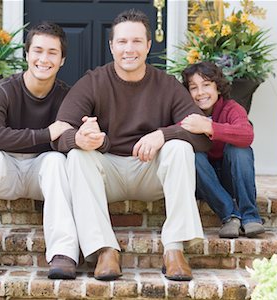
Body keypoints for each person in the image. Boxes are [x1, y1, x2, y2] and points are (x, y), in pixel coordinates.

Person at [54, 9, 211, 281]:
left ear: (148, 45)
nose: (130, 49)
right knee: (78, 156)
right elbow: (60, 132)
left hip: (149, 171)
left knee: (179, 147)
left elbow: (201, 133)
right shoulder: (93, 82)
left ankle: (174, 249)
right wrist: (80, 138)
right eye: (123, 42)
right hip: (108, 173)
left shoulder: (167, 85)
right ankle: (104, 250)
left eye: (137, 41)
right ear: (111, 46)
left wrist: (162, 135)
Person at [0, 22, 80, 280]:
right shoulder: (2, 90)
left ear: (62, 59)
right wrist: (46, 134)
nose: (43, 59)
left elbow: (66, 139)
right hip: (6, 170)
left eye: (52, 53)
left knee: (57, 161)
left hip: (42, 173)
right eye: (38, 51)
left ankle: (63, 253)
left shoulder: (67, 96)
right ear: (27, 54)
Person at [180, 61, 265, 239]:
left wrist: (209, 126)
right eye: (193, 87)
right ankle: (230, 216)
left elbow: (246, 134)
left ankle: (250, 217)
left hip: (230, 176)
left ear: (218, 88)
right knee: (191, 155)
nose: (200, 92)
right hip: (203, 180)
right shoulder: (185, 111)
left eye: (206, 85)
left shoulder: (232, 108)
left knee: (240, 150)